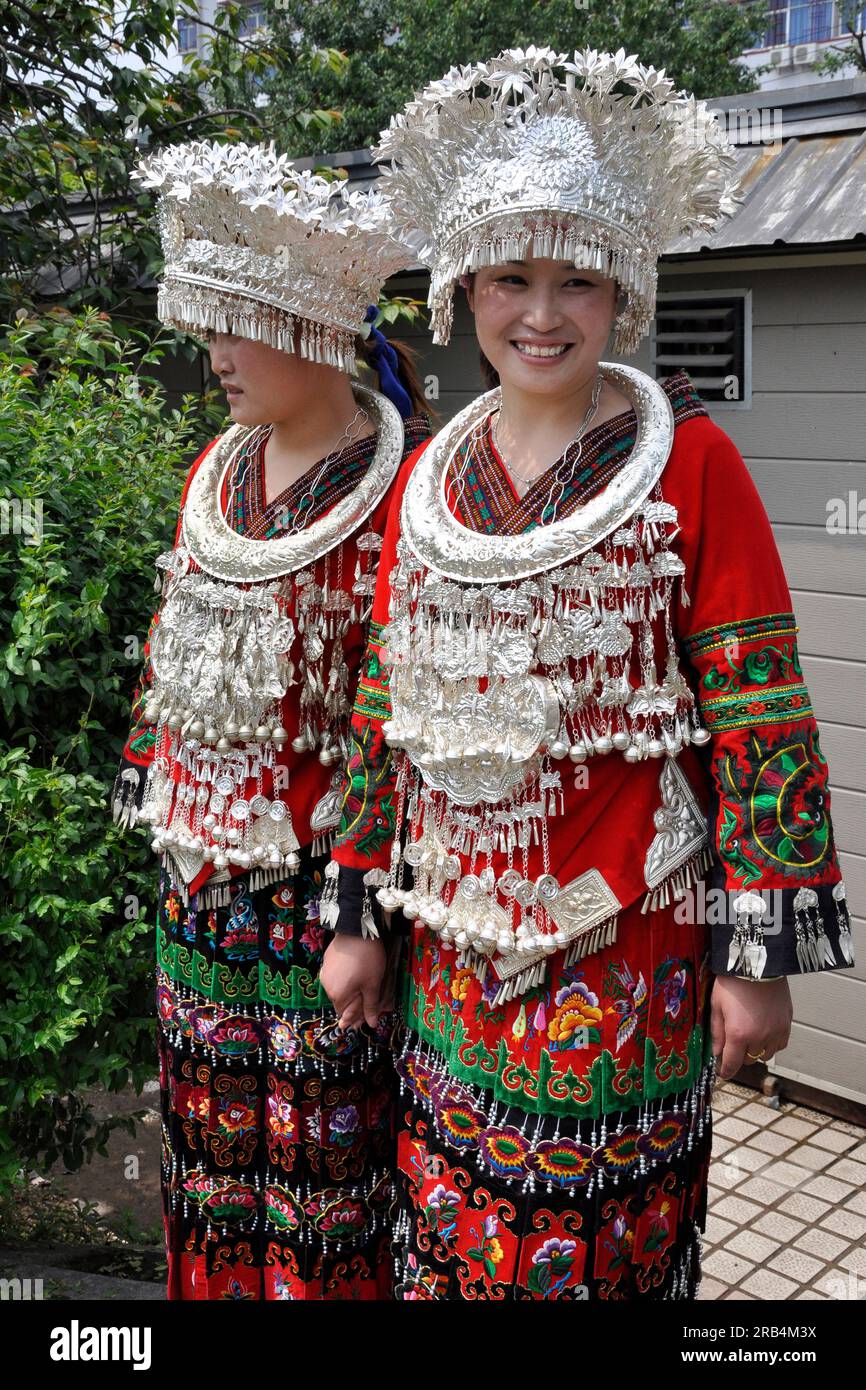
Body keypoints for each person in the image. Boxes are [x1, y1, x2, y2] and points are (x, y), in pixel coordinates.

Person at [320, 48, 855, 1301]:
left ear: (626, 290)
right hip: (449, 946)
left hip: (631, 940)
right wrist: (355, 913)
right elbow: (382, 712)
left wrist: (756, 952)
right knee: (448, 1229)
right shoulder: (423, 486)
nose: (541, 313)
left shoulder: (693, 463)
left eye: (578, 280)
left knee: (606, 1241)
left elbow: (759, 712)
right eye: (509, 277)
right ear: (462, 288)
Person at [108, 139, 430, 1300]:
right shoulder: (215, 469)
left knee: (323, 1178)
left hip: (319, 910)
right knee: (207, 1161)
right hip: (193, 896)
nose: (214, 354)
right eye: (208, 322)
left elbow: (404, 723)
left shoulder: (409, 489)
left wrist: (363, 910)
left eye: (235, 323)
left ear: (311, 328)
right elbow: (171, 650)